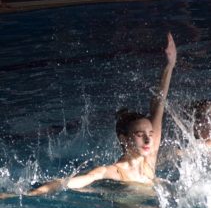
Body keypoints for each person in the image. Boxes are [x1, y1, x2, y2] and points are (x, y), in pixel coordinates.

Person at [26, 33, 177, 196]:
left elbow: (158, 104)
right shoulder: (112, 172)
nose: (149, 140)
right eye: (140, 135)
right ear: (124, 139)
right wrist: (31, 194)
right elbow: (67, 182)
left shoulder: (150, 156)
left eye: (150, 134)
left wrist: (170, 66)